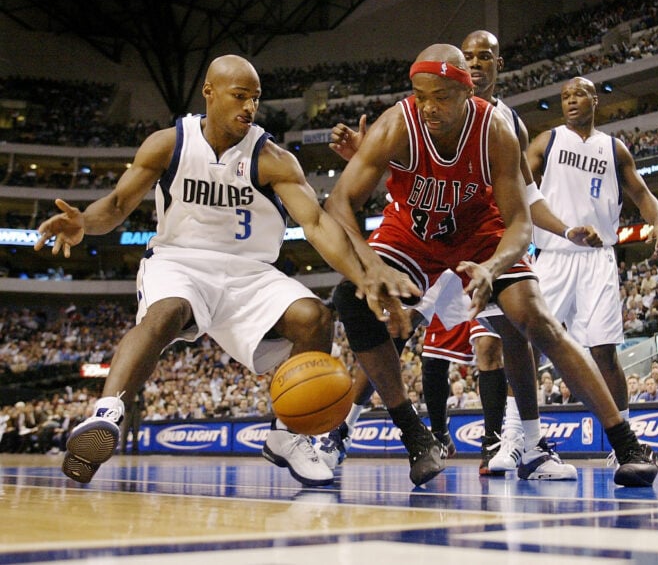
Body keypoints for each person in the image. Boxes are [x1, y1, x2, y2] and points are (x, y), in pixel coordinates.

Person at [33, 55, 414, 486]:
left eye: (255, 98)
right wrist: (85, 223)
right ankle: (107, 414)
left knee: (316, 317)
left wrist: (363, 276)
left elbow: (317, 223)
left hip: (248, 272)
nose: (249, 107)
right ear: (209, 93)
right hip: (180, 261)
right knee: (166, 312)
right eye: (239, 96)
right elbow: (118, 205)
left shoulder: (272, 157)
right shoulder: (168, 144)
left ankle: (287, 436)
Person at [323, 43, 658, 487]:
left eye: (440, 96)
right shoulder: (399, 122)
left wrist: (495, 267)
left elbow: (520, 218)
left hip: (480, 237)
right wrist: (370, 265)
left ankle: (624, 443)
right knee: (354, 298)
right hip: (413, 234)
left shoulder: (498, 128)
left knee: (535, 320)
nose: (428, 107)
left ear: (468, 91)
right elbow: (339, 201)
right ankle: (408, 435)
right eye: (421, 95)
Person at [525, 75, 658, 445]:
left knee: (604, 351)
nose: (570, 101)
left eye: (578, 94)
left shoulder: (614, 148)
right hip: (555, 253)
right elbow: (517, 185)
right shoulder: (548, 140)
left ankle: (623, 441)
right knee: (528, 345)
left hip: (598, 257)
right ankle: (521, 437)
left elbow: (642, 193)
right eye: (564, 96)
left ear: (595, 100)